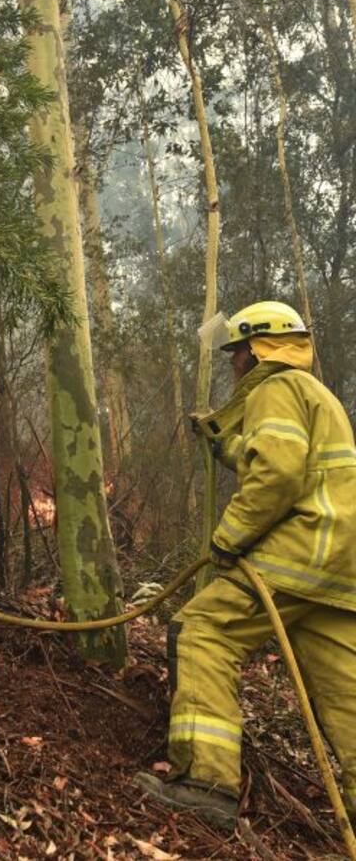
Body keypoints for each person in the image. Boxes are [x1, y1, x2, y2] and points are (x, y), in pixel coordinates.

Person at [134, 301, 356, 828]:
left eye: (236, 352)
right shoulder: (314, 394)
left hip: (298, 553)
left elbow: (278, 475)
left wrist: (229, 539)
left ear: (256, 350)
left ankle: (206, 782)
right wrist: (226, 445)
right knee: (346, 689)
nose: (233, 364)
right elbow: (278, 456)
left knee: (202, 630)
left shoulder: (275, 389)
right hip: (340, 569)